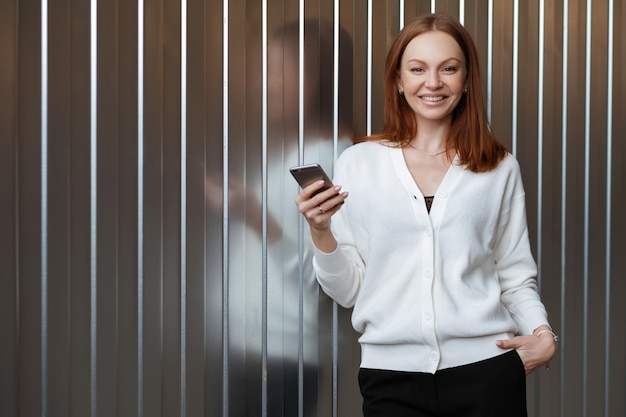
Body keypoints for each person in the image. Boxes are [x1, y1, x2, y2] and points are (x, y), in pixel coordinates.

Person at [294, 12, 557, 417]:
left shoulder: (498, 166)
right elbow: (349, 291)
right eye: (417, 69)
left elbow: (515, 274)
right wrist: (320, 230)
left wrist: (542, 334)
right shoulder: (358, 164)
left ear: (467, 80)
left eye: (448, 68)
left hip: (487, 372)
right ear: (398, 80)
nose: (432, 83)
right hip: (390, 377)